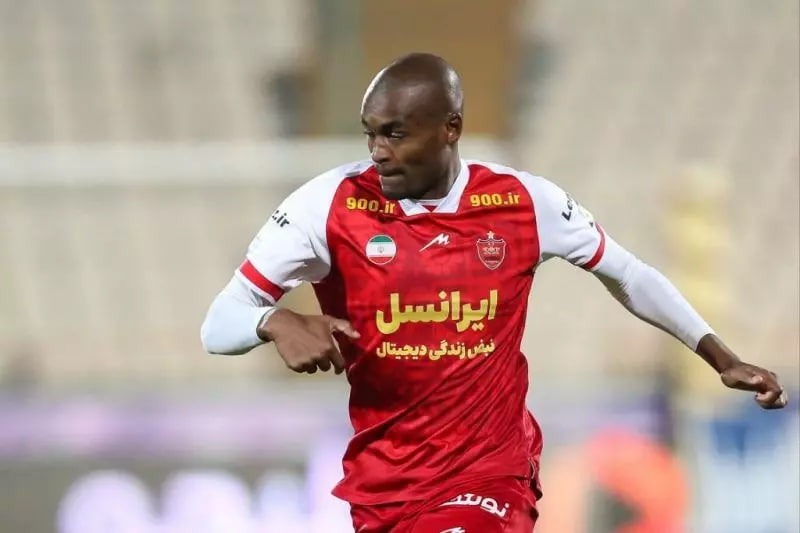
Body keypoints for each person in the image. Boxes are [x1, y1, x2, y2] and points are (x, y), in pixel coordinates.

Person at [200, 53, 787, 533]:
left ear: (450, 129)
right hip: (385, 486)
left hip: (491, 472)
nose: (377, 151)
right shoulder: (326, 205)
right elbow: (219, 324)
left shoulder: (523, 202)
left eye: (396, 134)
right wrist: (273, 321)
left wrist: (720, 355)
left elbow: (628, 274)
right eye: (371, 134)